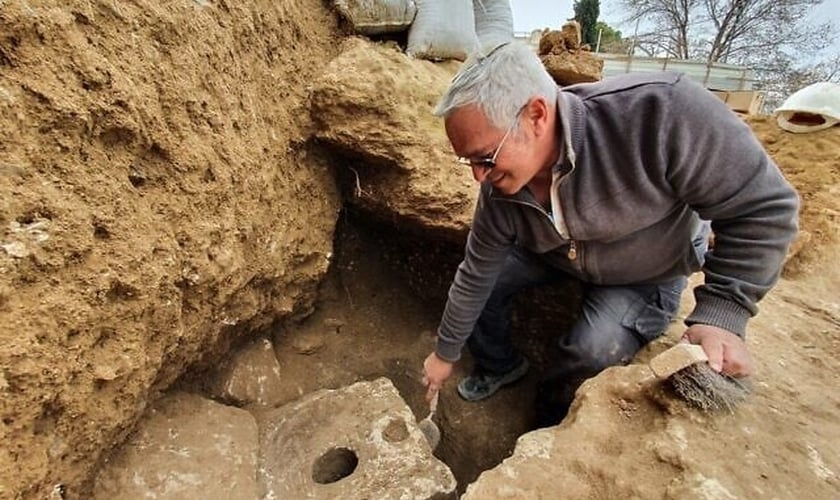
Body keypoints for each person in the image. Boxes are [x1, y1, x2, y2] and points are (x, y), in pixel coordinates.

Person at [420, 42, 799, 428]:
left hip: (645, 273)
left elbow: (763, 207)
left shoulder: (662, 114)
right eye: (469, 161)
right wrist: (445, 354)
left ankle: (549, 422)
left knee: (590, 351)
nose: (478, 177)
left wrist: (723, 314)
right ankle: (501, 365)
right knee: (488, 286)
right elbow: (476, 272)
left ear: (536, 115)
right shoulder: (500, 187)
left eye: (485, 158)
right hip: (553, 253)